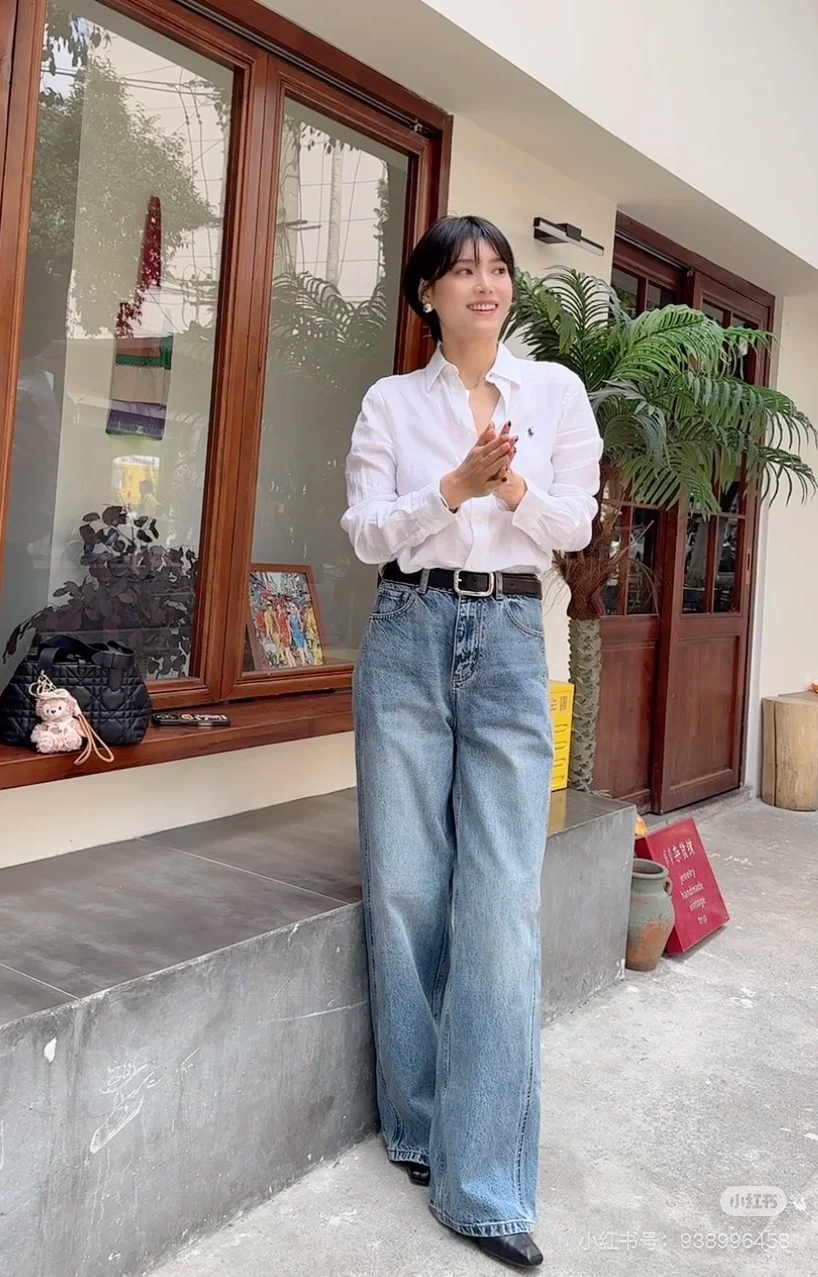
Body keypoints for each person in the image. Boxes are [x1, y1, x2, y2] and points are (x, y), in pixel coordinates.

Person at [341, 215, 602, 1269]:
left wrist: (511, 487)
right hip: (407, 632)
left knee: (500, 898)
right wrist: (449, 488)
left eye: (497, 268)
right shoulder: (390, 402)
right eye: (461, 270)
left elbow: (575, 527)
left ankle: (485, 1183)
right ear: (428, 296)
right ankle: (415, 1126)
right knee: (406, 887)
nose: (484, 283)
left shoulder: (557, 394)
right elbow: (364, 532)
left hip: (508, 638)